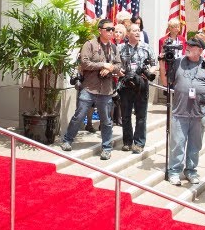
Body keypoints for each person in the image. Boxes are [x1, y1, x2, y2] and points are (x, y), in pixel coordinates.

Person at [60, 19, 121, 157]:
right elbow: (85, 63)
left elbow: (118, 65)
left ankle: (106, 148)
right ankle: (67, 140)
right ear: (100, 30)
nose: (111, 32)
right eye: (108, 29)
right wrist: (102, 65)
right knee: (79, 116)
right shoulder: (89, 44)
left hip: (106, 90)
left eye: (113, 29)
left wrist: (110, 68)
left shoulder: (114, 48)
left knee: (106, 121)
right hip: (89, 88)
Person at [166, 37, 205, 184]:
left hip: (199, 113)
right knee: (178, 143)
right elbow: (167, 82)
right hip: (180, 111)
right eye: (188, 45)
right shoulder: (178, 62)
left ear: (200, 50)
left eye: (192, 46)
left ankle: (191, 170)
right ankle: (174, 171)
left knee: (195, 145)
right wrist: (162, 62)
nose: (188, 47)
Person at [117, 22, 155, 152]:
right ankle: (127, 142)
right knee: (126, 115)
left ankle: (139, 143)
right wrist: (118, 71)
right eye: (134, 30)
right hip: (126, 85)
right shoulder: (120, 48)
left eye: (139, 30)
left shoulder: (147, 47)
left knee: (141, 116)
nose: (138, 33)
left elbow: (154, 64)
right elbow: (115, 64)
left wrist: (150, 71)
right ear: (128, 34)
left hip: (141, 85)